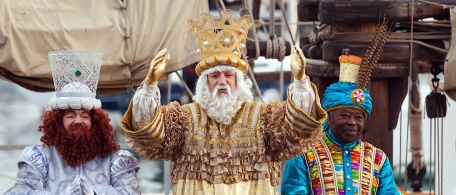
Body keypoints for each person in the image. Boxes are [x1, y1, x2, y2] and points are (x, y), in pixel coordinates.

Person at [120, 10, 327, 195]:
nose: (222, 81)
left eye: (228, 75)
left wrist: (300, 81)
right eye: (214, 76)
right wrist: (149, 84)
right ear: (205, 82)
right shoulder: (183, 118)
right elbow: (149, 136)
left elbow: (298, 132)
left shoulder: (264, 117)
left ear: (238, 80)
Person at [5, 50, 141, 195]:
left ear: (95, 122)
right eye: (70, 115)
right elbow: (19, 192)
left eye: (84, 116)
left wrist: (94, 192)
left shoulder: (115, 159)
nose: (78, 121)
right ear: (59, 121)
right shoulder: (40, 158)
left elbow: (130, 192)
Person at [281, 51, 406, 195]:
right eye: (345, 115)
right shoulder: (303, 154)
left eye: (358, 118)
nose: (352, 122)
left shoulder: (378, 159)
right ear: (329, 118)